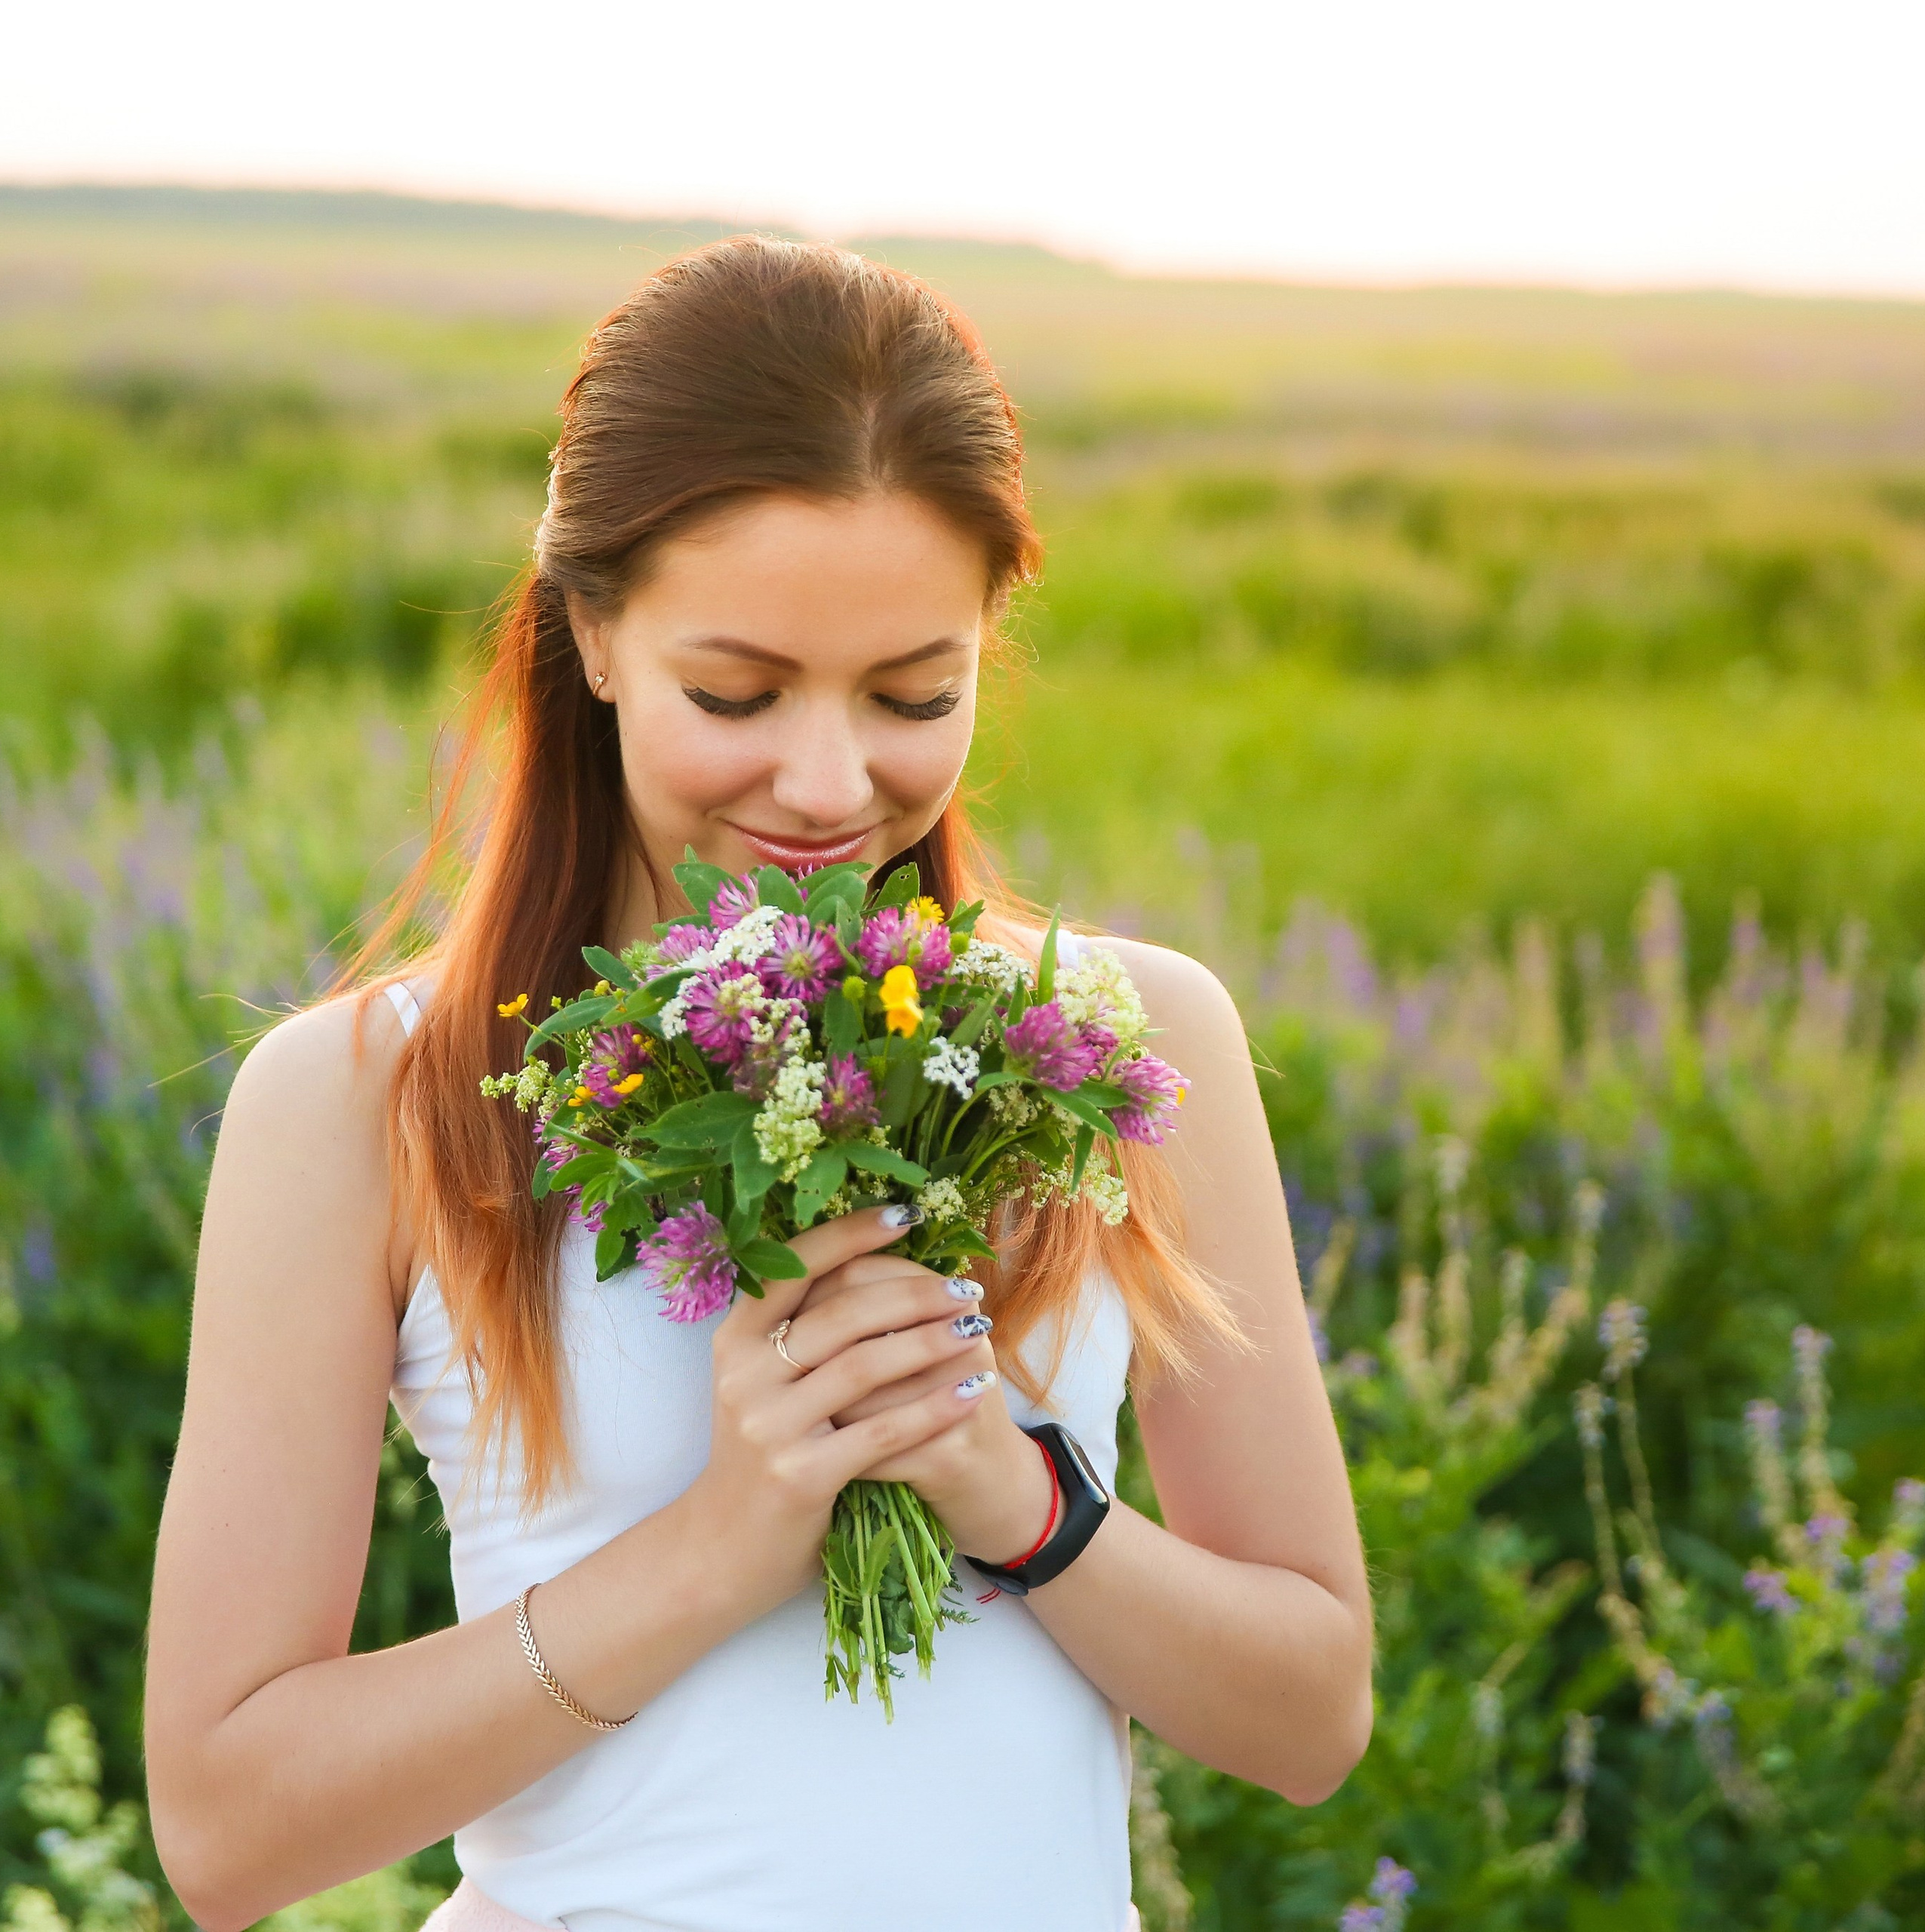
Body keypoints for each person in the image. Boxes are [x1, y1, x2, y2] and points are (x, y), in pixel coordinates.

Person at [143, 237, 1372, 1932]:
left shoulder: (1121, 1039)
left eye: (913, 694)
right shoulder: (369, 1096)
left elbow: (1309, 1717)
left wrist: (1009, 1492)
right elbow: (225, 1829)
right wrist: (717, 1546)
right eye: (735, 693)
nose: (826, 783)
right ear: (590, 631)